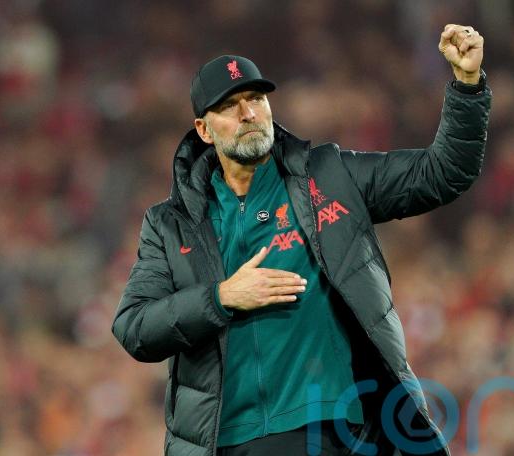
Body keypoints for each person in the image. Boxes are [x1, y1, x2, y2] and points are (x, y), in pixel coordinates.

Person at [112, 24, 491, 456]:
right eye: (230, 106)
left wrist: (467, 86)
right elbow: (134, 327)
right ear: (204, 129)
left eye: (256, 98)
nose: (248, 113)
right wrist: (221, 297)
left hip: (332, 426)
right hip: (227, 440)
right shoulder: (169, 224)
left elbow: (442, 172)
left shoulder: (330, 176)